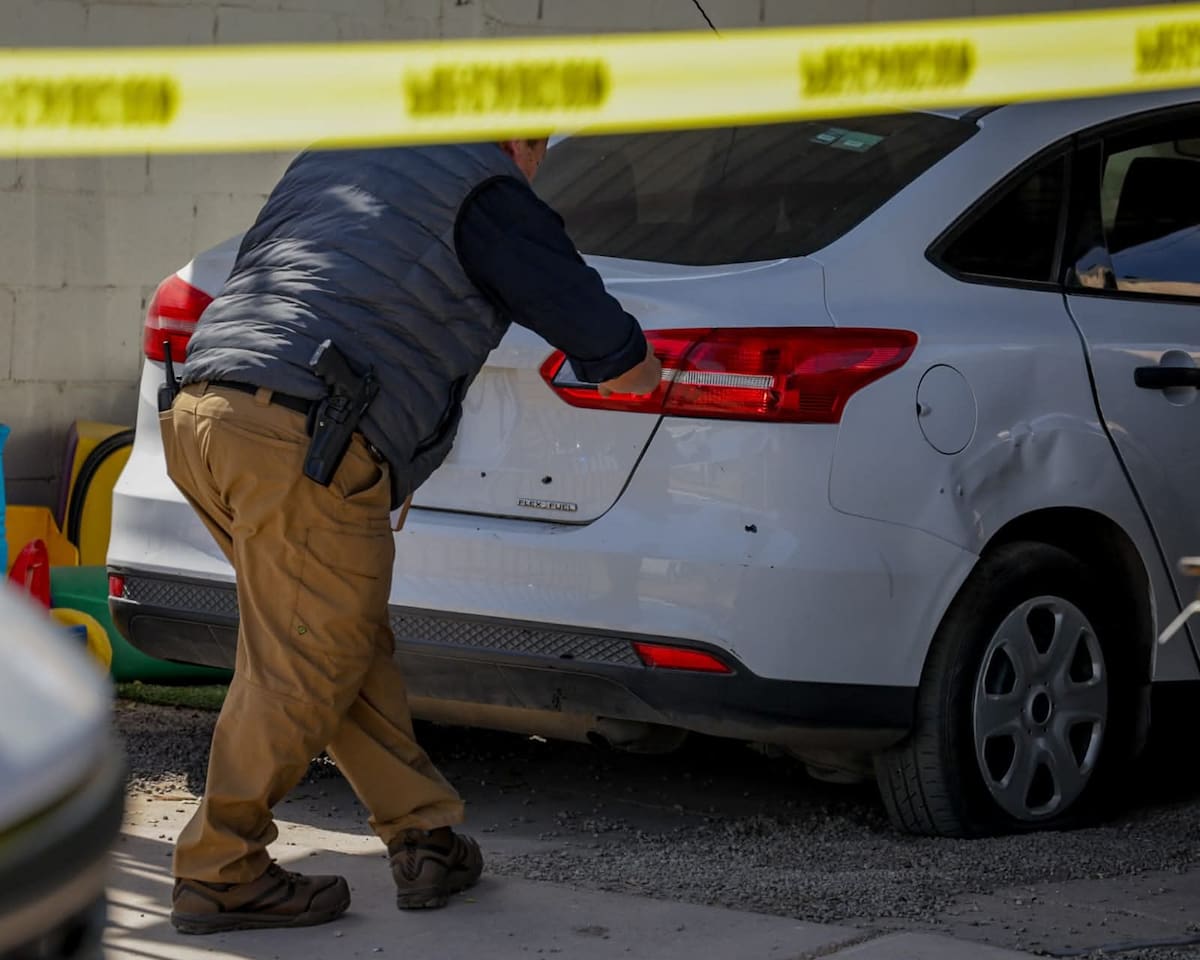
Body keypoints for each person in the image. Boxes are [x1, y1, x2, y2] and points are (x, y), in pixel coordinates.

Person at [161, 136, 662, 934]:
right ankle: (219, 869)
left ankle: (422, 833)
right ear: (522, 139)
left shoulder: (336, 156)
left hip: (202, 415)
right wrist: (651, 370)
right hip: (307, 436)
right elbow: (611, 350)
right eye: (540, 145)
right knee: (305, 661)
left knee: (335, 639)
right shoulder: (490, 196)